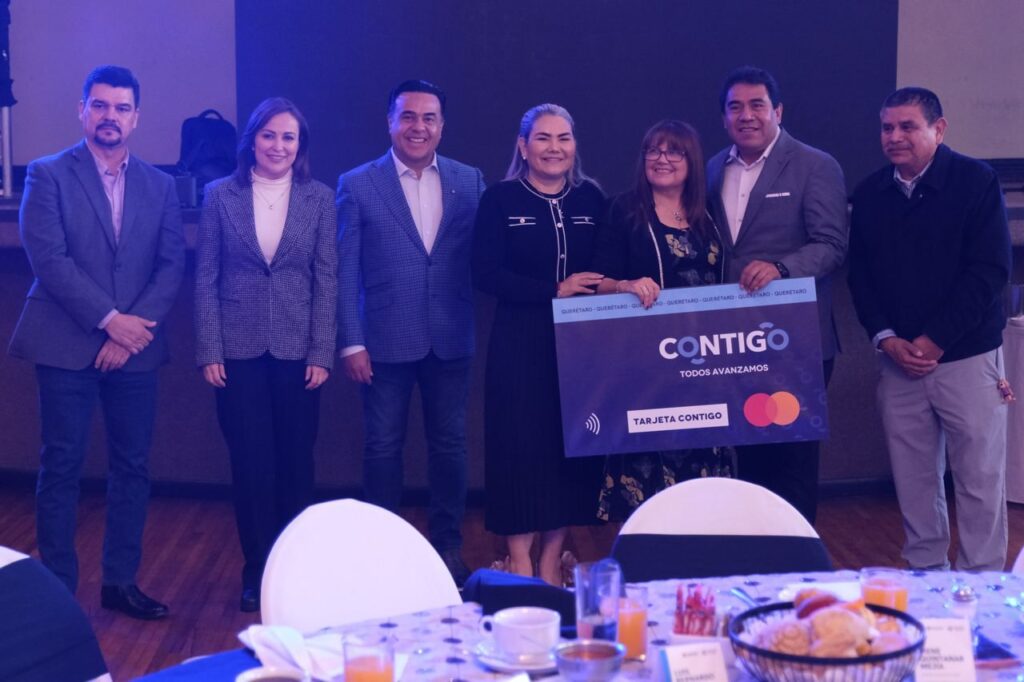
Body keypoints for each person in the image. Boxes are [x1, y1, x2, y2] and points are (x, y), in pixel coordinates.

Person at [7, 65, 185, 619]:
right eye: (101, 105)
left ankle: (120, 583)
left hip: (136, 349)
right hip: (65, 344)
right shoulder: (48, 174)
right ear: (82, 110)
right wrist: (110, 321)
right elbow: (50, 260)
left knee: (132, 466)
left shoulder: (161, 185)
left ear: (137, 118)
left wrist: (129, 333)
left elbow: (170, 265)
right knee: (61, 465)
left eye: (122, 108)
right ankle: (57, 592)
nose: (111, 116)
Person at [848, 87, 1011, 571]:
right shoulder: (870, 194)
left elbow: (989, 271)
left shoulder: (975, 181)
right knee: (914, 481)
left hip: (966, 359)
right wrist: (886, 339)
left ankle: (982, 584)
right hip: (898, 363)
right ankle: (926, 579)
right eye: (887, 128)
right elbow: (861, 277)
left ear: (939, 130)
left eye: (908, 126)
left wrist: (934, 340)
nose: (894, 137)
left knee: (979, 479)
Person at [336, 80, 484, 586]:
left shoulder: (469, 180)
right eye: (408, 116)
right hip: (382, 340)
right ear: (390, 122)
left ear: (442, 125)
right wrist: (352, 341)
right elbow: (345, 271)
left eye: (429, 118)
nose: (418, 127)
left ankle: (447, 548)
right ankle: (384, 553)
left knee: (450, 447)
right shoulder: (358, 184)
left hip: (451, 335)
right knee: (382, 448)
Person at [195, 97, 337, 611]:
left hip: (300, 351)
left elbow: (328, 278)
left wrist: (322, 350)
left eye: (289, 137)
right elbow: (206, 276)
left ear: (301, 145)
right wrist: (210, 347)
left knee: (296, 464)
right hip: (237, 350)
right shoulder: (219, 195)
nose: (278, 146)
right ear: (252, 139)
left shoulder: (320, 198)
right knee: (251, 464)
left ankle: (292, 570)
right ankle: (257, 570)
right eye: (269, 135)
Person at [706, 66, 848, 524]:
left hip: (794, 342)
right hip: (733, 341)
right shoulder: (713, 168)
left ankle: (797, 559)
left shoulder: (815, 165)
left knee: (792, 464)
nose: (746, 115)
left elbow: (832, 245)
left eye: (757, 105)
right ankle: (755, 557)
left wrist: (782, 269)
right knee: (746, 462)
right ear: (724, 116)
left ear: (778, 111)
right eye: (735, 107)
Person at [472, 103, 606, 585]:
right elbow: (484, 273)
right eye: (543, 138)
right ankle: (519, 560)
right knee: (518, 448)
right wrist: (552, 290)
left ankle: (551, 559)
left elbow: (607, 267)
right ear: (523, 146)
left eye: (563, 138)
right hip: (519, 343)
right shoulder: (500, 199)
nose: (554, 148)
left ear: (574, 145)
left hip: (579, 346)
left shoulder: (592, 198)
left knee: (565, 449)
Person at [592, 119, 730, 521]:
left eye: (673, 151)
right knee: (649, 473)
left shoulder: (710, 211)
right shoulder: (623, 210)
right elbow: (595, 282)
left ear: (692, 160)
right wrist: (625, 285)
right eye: (653, 150)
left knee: (703, 477)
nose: (661, 158)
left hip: (704, 364)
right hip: (645, 368)